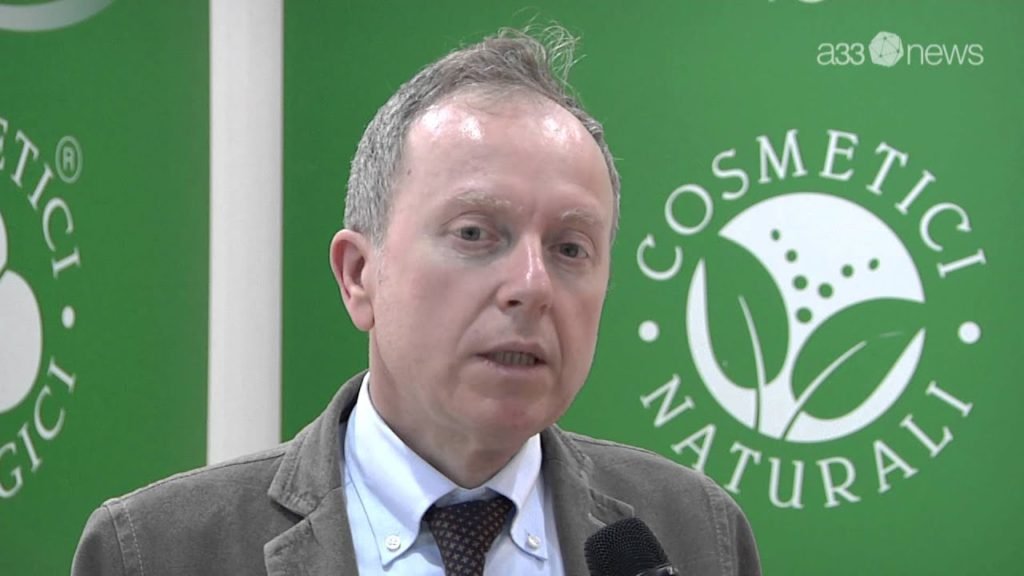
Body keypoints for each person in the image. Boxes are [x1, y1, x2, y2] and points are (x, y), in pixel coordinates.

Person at [72, 27, 761, 576]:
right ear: (358, 276)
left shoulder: (694, 534)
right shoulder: (156, 552)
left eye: (570, 248)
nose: (531, 284)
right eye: (475, 234)